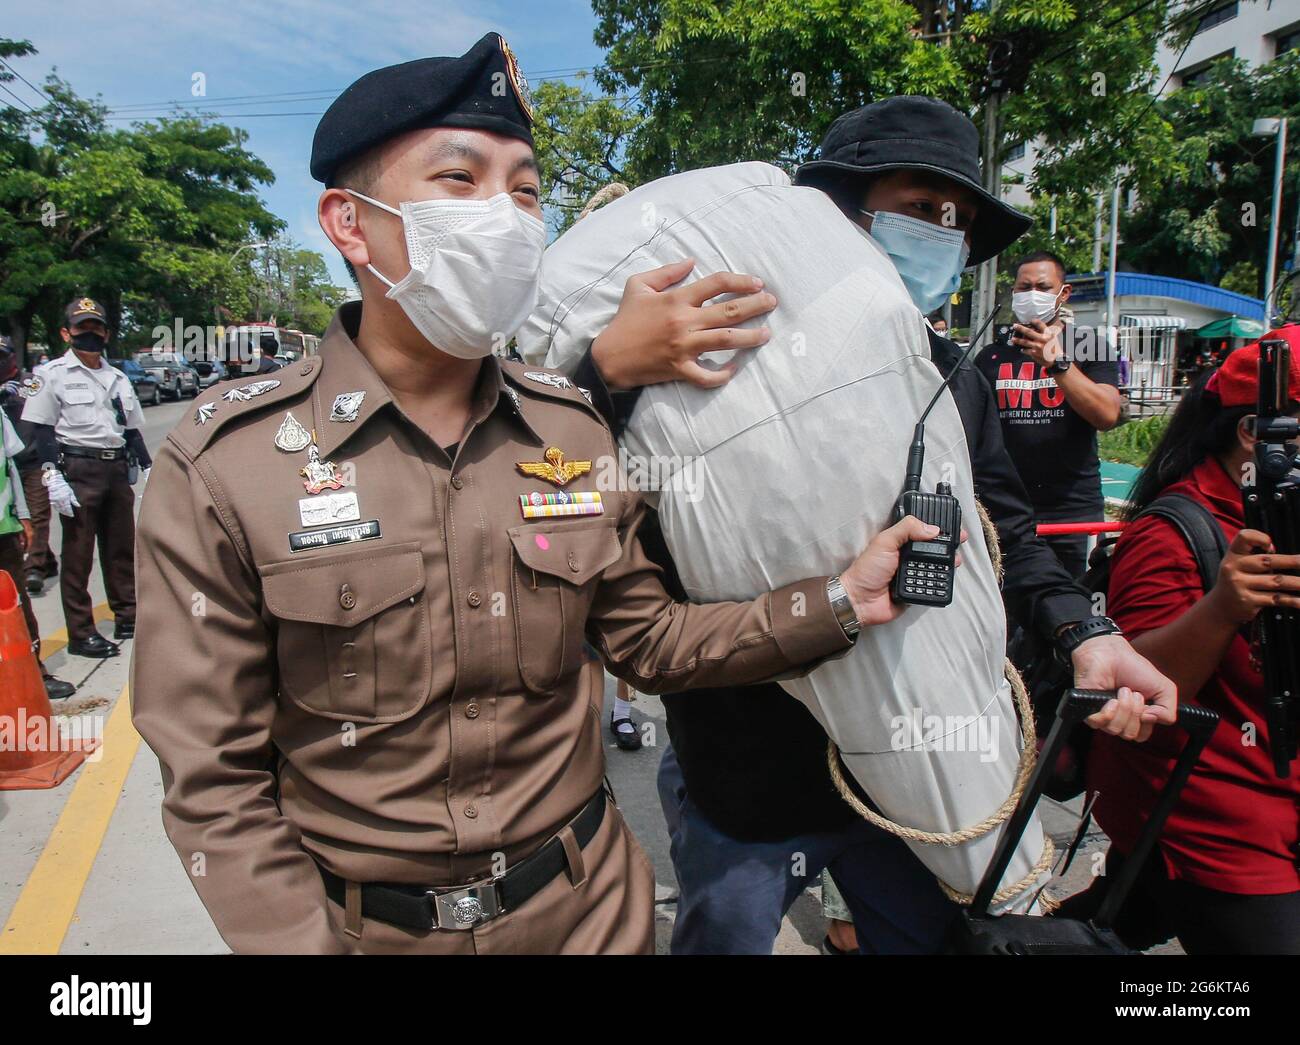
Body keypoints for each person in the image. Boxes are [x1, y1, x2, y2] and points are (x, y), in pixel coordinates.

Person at [129, 34, 939, 956]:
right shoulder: (228, 465)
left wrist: (838, 601)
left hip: (593, 914)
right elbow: (214, 783)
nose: (506, 217)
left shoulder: (571, 429)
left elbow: (650, 639)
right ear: (349, 222)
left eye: (524, 189)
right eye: (459, 179)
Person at [576, 95, 1176, 954]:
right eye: (918, 207)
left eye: (957, 219)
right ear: (835, 214)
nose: (941, 232)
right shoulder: (706, 361)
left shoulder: (951, 380)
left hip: (912, 780)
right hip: (746, 770)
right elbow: (590, 491)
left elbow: (1007, 536)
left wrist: (1084, 630)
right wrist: (608, 377)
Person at [1060, 343, 1300, 954]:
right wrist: (1222, 607)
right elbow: (1137, 691)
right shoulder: (1174, 533)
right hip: (1219, 822)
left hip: (1278, 798)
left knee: (1118, 918)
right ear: (1256, 434)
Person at [974, 252, 1123, 577]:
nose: (1031, 295)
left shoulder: (1088, 346)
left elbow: (1107, 414)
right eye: (1024, 287)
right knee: (1008, 613)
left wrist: (1056, 363)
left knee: (1074, 606)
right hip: (1007, 510)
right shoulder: (992, 355)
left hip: (1073, 512)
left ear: (1063, 293)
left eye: (1042, 287)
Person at [19, 298, 150, 658]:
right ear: (66, 332)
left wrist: (149, 466)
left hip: (114, 468)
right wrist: (51, 476)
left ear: (106, 332)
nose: (90, 334)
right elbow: (40, 430)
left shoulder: (118, 377)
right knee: (78, 556)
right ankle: (81, 633)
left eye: (96, 327)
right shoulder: (50, 375)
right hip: (76, 469)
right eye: (82, 328)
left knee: (122, 548)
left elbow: (132, 429)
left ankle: (128, 613)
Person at [0, 361, 75, 700]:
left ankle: (34, 673)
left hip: (4, 526)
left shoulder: (8, 406)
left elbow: (10, 466)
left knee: (16, 604)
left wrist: (24, 516)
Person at [0, 339, 58, 593]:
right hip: (7, 465)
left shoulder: (30, 383)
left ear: (13, 357)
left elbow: (46, 417)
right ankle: (47, 558)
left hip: (33, 460)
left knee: (37, 515)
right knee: (18, 519)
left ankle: (33, 568)